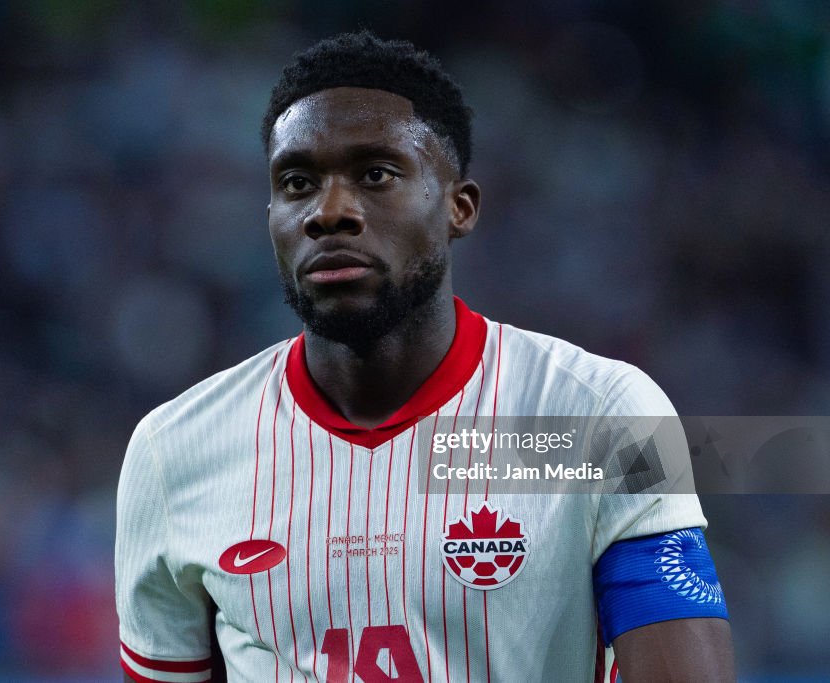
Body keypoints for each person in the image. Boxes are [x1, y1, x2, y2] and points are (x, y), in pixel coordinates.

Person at [115, 31, 733, 682]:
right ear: (272, 214)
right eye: (298, 182)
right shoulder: (172, 452)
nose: (329, 212)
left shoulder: (602, 415)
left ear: (459, 208)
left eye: (375, 174)